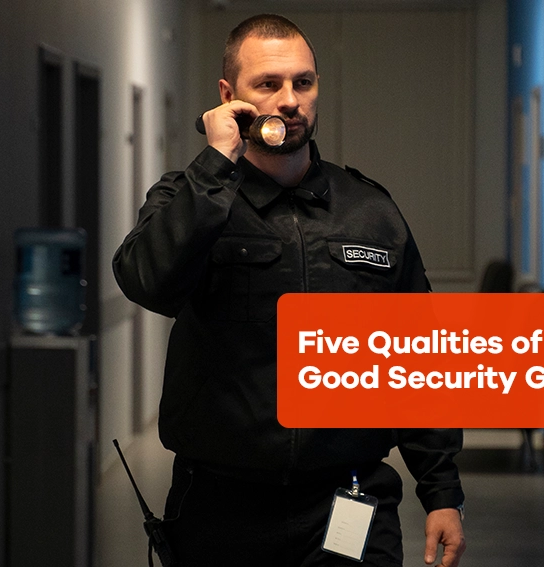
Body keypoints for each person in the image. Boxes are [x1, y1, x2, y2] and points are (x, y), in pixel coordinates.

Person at [113, 14, 465, 567]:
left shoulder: (368, 210)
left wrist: (442, 491)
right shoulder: (193, 198)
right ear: (229, 96)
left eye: (303, 82)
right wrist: (214, 168)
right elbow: (146, 281)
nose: (290, 99)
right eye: (268, 84)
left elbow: (417, 354)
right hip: (222, 509)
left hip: (347, 502)